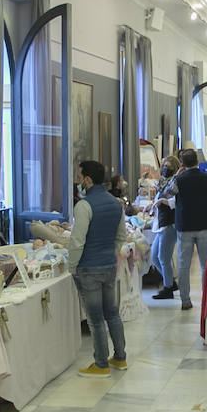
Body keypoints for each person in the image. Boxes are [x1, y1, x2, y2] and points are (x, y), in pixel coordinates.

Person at [69, 160, 128, 376]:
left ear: (88, 179)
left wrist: (72, 266)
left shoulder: (84, 206)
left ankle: (101, 364)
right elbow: (121, 235)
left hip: (89, 268)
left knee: (95, 319)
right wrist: (110, 252)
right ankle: (120, 358)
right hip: (109, 265)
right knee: (112, 313)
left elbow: (77, 241)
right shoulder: (115, 203)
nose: (77, 181)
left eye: (79, 176)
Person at [169, 148, 207, 311]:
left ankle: (185, 299)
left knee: (183, 265)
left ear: (183, 164)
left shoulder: (179, 180)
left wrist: (176, 175)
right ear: (198, 162)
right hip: (204, 226)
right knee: (205, 264)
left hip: (184, 226)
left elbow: (166, 192)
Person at [150, 156, 179, 300]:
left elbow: (176, 200)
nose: (166, 168)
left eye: (169, 166)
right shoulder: (161, 183)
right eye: (164, 166)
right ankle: (170, 282)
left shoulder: (176, 182)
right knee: (154, 256)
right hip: (160, 222)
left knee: (163, 257)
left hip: (170, 223)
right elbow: (157, 199)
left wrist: (165, 201)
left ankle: (168, 288)